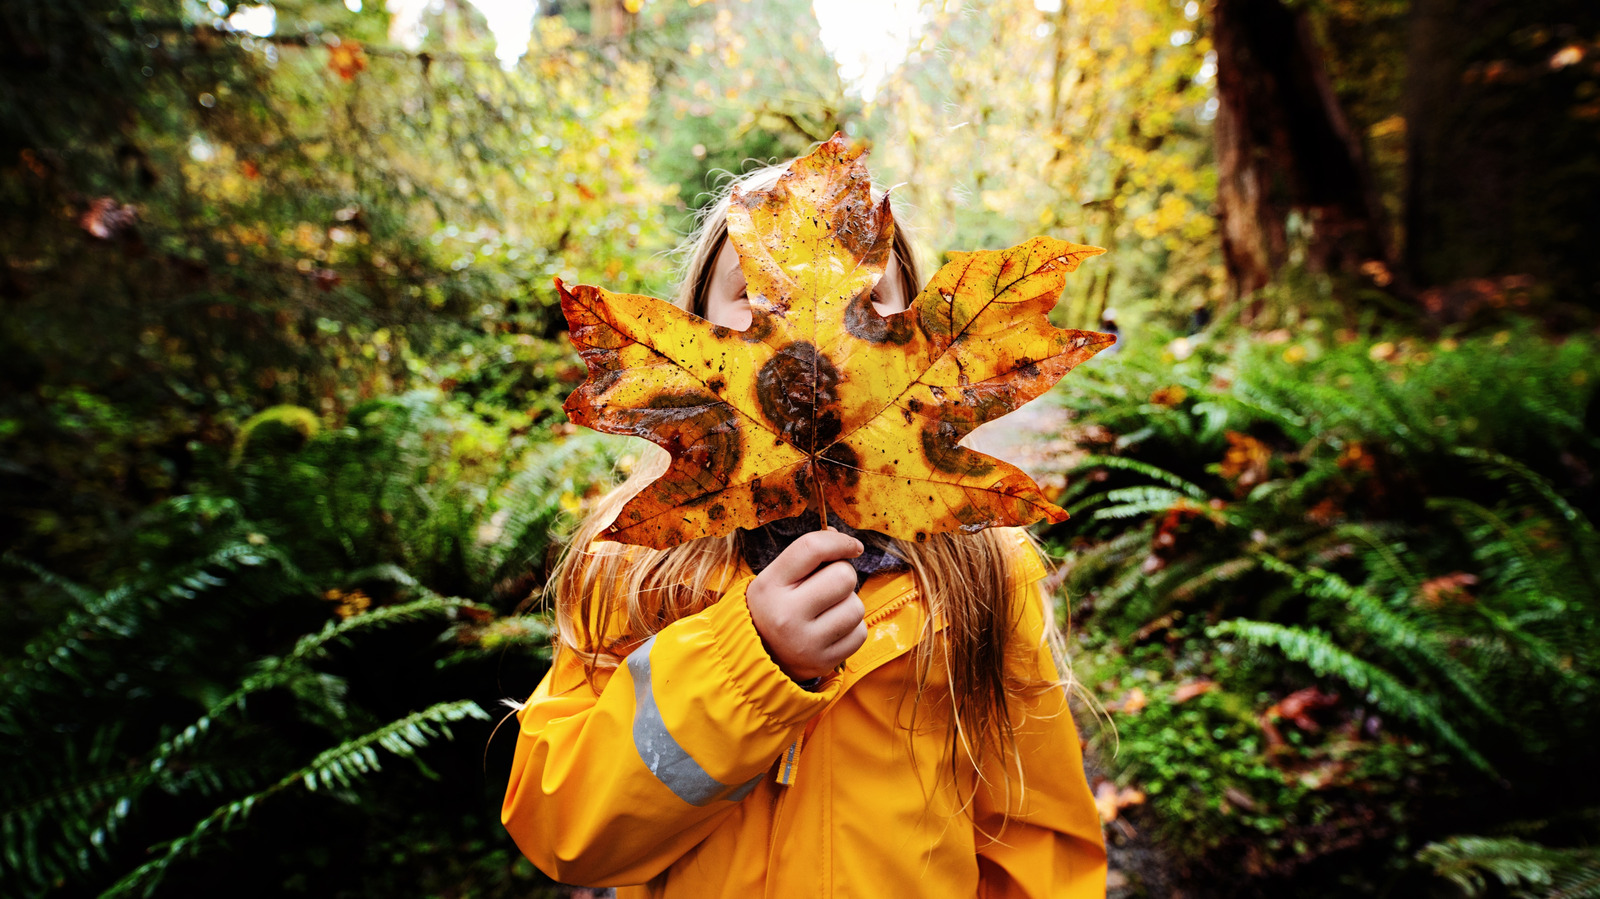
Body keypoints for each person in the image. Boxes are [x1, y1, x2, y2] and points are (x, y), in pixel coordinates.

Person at [500, 159, 1107, 898]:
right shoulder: (634, 564)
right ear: (692, 336)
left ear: (921, 345)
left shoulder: (983, 568)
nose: (816, 355)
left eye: (868, 303)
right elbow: (563, 828)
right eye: (757, 294)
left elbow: (1038, 850)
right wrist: (745, 662)